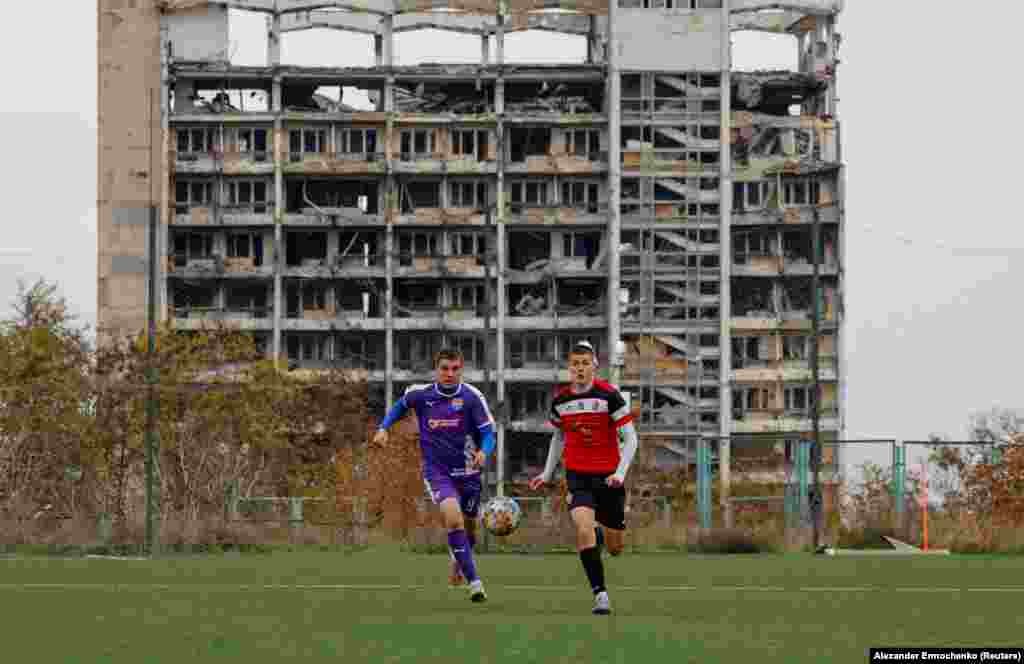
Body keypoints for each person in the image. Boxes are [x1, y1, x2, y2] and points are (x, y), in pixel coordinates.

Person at [373, 349, 495, 602]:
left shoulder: (472, 397)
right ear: (436, 370)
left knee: (470, 529)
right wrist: (384, 428)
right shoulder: (421, 395)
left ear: (461, 369)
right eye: (444, 368)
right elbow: (399, 407)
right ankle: (475, 583)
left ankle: (458, 560)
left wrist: (484, 451)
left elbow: (489, 433)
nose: (449, 374)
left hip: (470, 472)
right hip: (438, 472)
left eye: (455, 369)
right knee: (453, 519)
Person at [529, 340, 639, 615]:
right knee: (582, 529)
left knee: (615, 547)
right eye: (575, 364)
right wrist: (546, 472)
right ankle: (600, 594)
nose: (580, 368)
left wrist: (619, 474)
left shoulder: (610, 396)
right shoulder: (560, 401)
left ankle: (603, 533)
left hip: (609, 478)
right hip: (578, 476)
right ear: (569, 367)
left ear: (594, 366)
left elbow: (631, 439)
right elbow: (558, 436)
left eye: (585, 363)